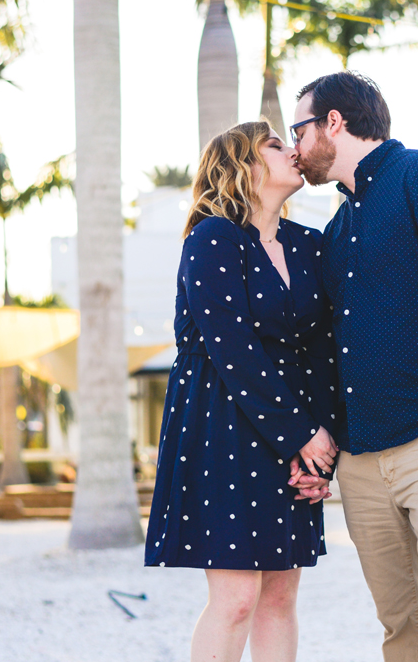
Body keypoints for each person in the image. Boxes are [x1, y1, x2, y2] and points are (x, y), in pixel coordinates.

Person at [289, 71, 418, 660]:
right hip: (363, 460)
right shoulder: (339, 227)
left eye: (300, 129)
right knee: (399, 627)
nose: (295, 146)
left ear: (335, 122)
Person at [144, 121, 339, 662]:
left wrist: (321, 448)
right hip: (220, 430)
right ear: (241, 167)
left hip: (294, 433)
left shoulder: (309, 246)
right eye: (275, 145)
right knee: (235, 599)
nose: (292, 150)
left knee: (280, 596)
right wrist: (302, 434)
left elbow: (322, 353)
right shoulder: (212, 239)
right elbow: (233, 350)